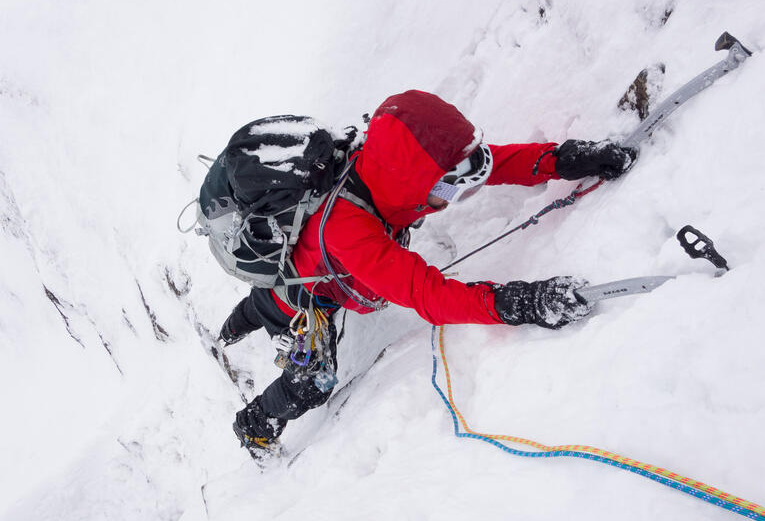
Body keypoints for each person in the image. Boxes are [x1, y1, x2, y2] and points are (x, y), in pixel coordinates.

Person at [217, 90, 635, 457]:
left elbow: (493, 166)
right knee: (313, 381)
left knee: (264, 301)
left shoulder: (384, 164)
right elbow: (430, 296)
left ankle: (234, 328)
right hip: (306, 299)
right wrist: (521, 303)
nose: (457, 195)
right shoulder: (352, 232)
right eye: (451, 187)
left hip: (301, 271)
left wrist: (564, 160)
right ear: (409, 182)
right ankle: (253, 425)